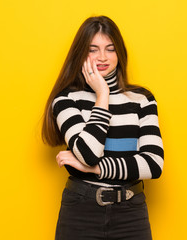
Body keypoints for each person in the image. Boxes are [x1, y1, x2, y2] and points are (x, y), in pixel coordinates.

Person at [42, 15, 164, 240]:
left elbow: (153, 165)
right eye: (93, 49)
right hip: (81, 211)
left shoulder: (142, 100)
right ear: (81, 53)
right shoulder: (67, 99)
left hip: (132, 212)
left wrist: (95, 170)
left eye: (110, 49)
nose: (102, 57)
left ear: (120, 53)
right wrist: (103, 94)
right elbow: (89, 153)